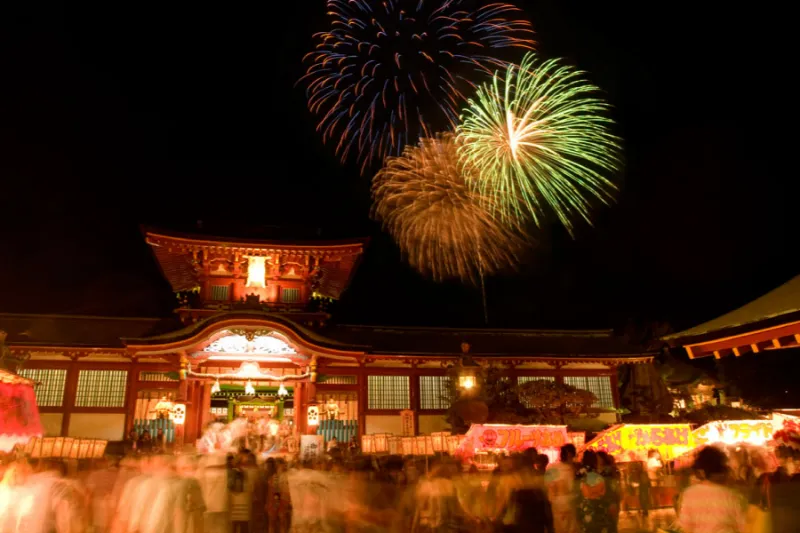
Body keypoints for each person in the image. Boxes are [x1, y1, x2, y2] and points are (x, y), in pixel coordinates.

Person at [677, 446, 746, 533]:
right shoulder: (734, 496)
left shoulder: (689, 494)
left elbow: (686, 527)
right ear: (722, 470)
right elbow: (744, 526)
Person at [546, 444, 579, 533]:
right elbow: (549, 486)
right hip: (562, 502)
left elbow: (549, 485)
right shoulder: (554, 467)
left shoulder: (575, 468)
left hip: (567, 502)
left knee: (567, 527)